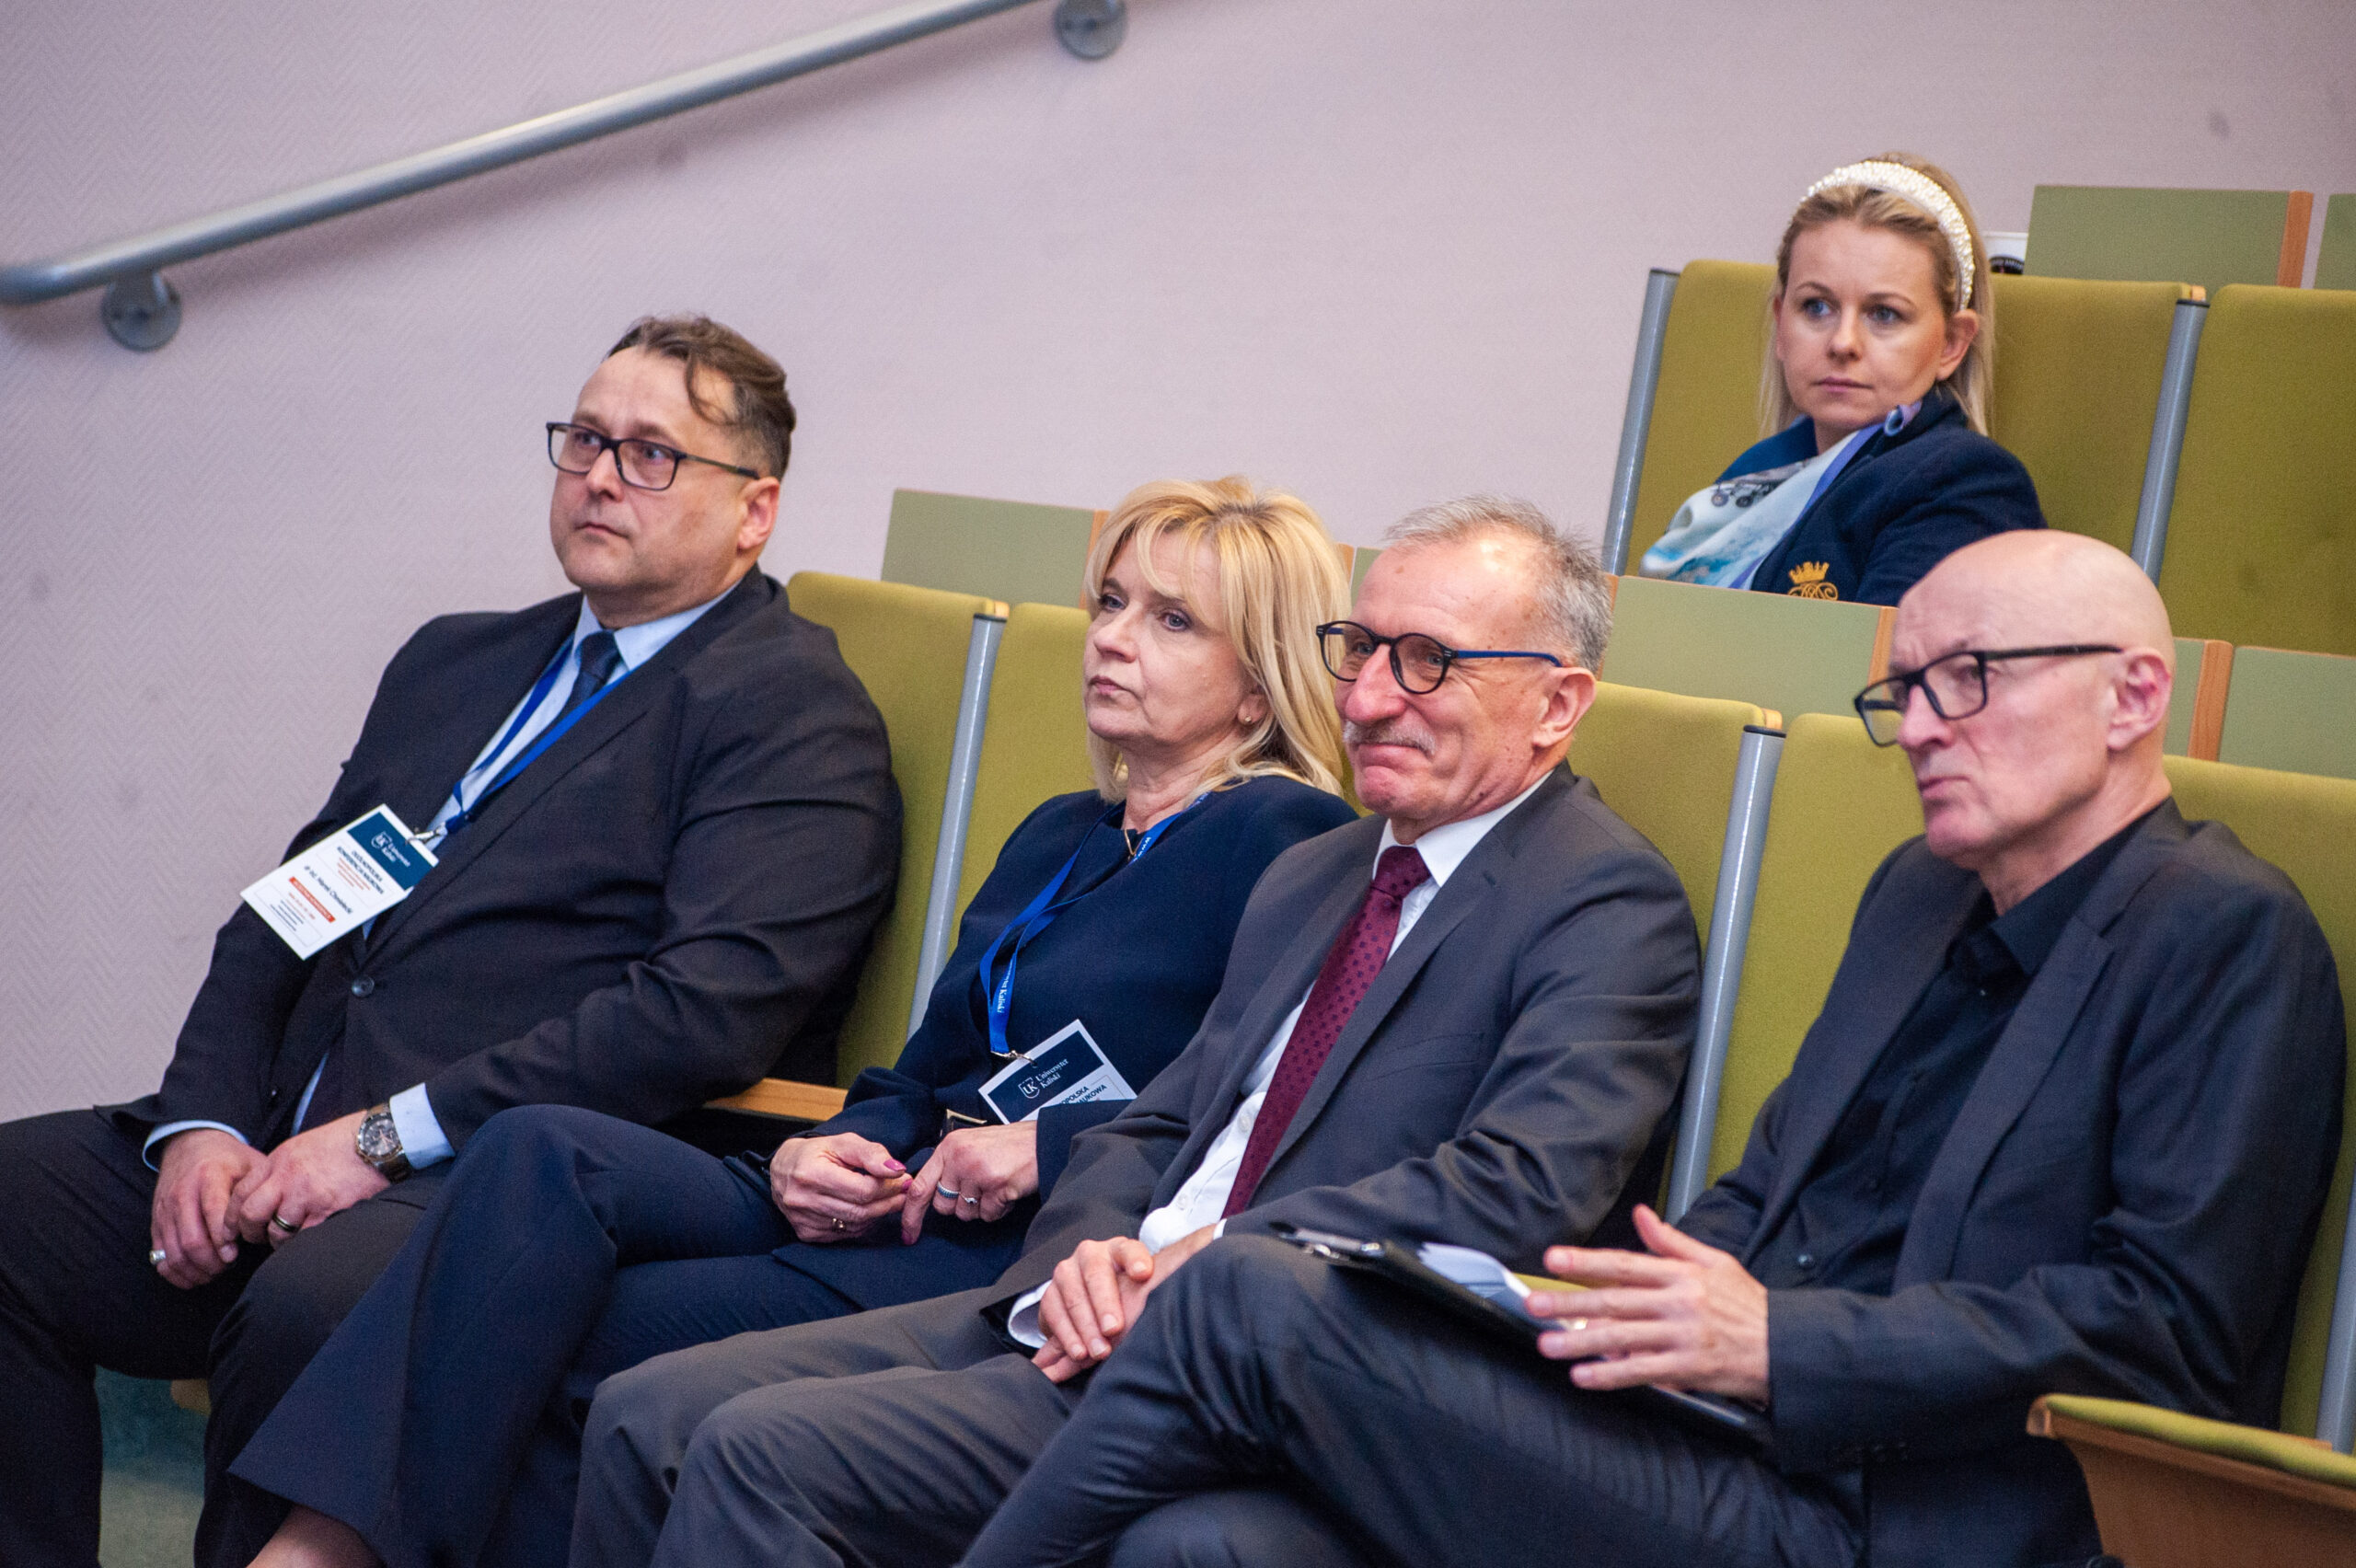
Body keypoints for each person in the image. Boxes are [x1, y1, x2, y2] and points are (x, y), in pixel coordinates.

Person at [954, 530, 2346, 1568]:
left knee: (1249, 1293)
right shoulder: (1919, 895)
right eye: (1906, 689)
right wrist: (1567, 1313)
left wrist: (1779, 1345)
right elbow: (1762, 1199)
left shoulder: (2223, 934)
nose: (1921, 727)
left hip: (1911, 1509)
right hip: (1716, 1435)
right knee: (1203, 1544)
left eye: (1968, 682)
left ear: (2131, 696)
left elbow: (2166, 1331)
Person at [227, 478, 1361, 1568]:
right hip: (878, 1196)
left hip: (995, 1250)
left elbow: (1271, 1102)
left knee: (560, 1333)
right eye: (1109, 602)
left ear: (1256, 689)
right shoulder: (1062, 831)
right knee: (539, 1151)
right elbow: (922, 1073)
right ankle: (323, 1546)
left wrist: (1050, 1145)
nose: (1111, 638)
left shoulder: (1286, 839)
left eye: (1171, 621)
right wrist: (829, 1147)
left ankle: (325, 1552)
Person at [568, 496, 1706, 1568]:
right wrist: (1092, 1253)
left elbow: (1516, 1190)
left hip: (1276, 1358)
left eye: (1426, 662)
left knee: (753, 1453)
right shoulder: (1322, 873)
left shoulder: (1601, 903)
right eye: (1359, 650)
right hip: (1087, 1305)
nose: (1365, 698)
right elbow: (1162, 1121)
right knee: (645, 1410)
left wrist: (1205, 1263)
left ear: (1556, 704)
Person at [0, 316, 905, 1568]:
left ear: (755, 511)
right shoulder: (459, 660)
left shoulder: (790, 712)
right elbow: (287, 915)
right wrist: (201, 1121)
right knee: (11, 1206)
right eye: (585, 439)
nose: (600, 477)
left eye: (651, 454)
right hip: (276, 1135)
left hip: (478, 1180)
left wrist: (380, 1140)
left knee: (310, 1310)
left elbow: (700, 1013)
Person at [1640, 154, 2043, 605]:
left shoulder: (1965, 483)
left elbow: (1886, 655)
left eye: (1884, 314)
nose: (1843, 342)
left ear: (1952, 343)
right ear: (1780, 324)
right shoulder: (1752, 474)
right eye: (1817, 307)